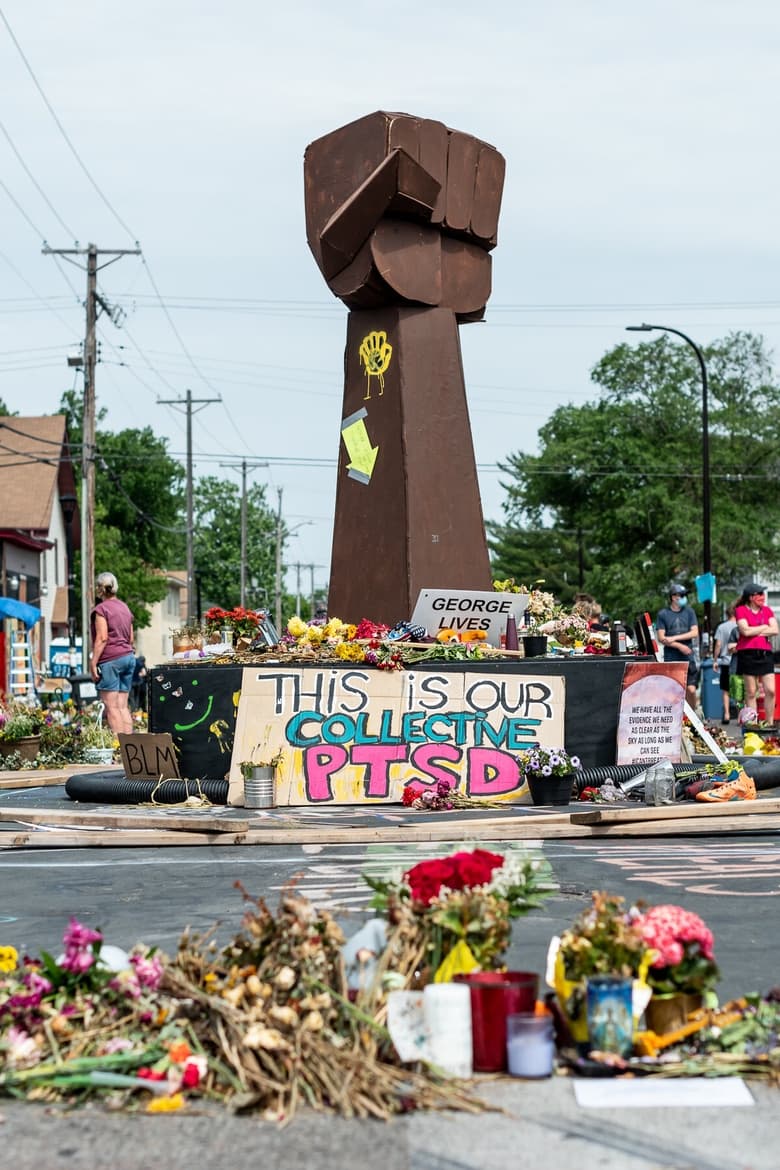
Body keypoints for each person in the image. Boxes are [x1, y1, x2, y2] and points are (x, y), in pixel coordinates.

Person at [89, 571, 135, 735]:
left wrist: (93, 662)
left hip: (111, 660)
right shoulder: (125, 608)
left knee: (112, 706)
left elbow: (102, 638)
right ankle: (130, 749)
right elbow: (131, 638)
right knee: (122, 706)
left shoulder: (101, 609)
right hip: (128, 657)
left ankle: (119, 748)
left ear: (100, 589)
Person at [735, 583, 779, 722]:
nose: (762, 597)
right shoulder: (741, 610)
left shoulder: (767, 610)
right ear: (751, 597)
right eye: (759, 594)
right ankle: (752, 723)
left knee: (771, 690)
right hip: (748, 654)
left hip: (765, 654)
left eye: (763, 594)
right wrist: (764, 627)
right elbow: (745, 631)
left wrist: (755, 630)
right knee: (751, 692)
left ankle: (769, 722)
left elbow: (775, 630)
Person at [656, 583, 700, 706]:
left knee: (691, 690)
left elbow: (694, 632)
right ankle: (677, 717)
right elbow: (661, 637)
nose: (684, 597)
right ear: (673, 597)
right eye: (682, 595)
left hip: (688, 656)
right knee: (673, 689)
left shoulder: (689, 612)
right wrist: (679, 645)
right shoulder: (663, 614)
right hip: (672, 656)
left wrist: (674, 638)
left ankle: (693, 717)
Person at [713, 604, 738, 725]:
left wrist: (715, 660)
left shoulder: (721, 627)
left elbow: (718, 644)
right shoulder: (741, 626)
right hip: (739, 661)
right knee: (740, 687)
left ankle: (727, 714)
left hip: (725, 662)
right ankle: (741, 715)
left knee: (725, 689)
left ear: (727, 614)